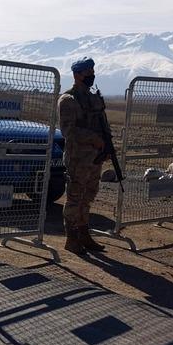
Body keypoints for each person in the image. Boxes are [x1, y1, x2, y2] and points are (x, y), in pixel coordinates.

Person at [57, 57, 108, 255]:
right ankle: (71, 238)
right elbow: (69, 131)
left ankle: (84, 233)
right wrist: (93, 138)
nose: (91, 75)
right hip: (78, 158)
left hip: (94, 158)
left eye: (92, 71)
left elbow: (102, 125)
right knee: (75, 198)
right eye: (87, 72)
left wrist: (105, 147)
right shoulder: (68, 100)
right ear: (77, 74)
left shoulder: (93, 98)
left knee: (88, 197)